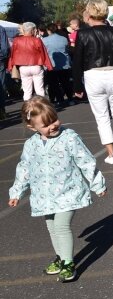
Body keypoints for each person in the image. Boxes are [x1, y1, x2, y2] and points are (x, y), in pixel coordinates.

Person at [8, 96, 107, 283]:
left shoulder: (69, 137)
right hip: (44, 196)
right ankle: (61, 258)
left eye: (54, 120)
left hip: (68, 191)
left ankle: (68, 263)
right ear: (32, 127)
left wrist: (97, 184)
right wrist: (16, 192)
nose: (53, 126)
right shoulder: (31, 145)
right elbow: (24, 169)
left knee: (61, 227)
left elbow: (85, 161)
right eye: (46, 125)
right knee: (52, 228)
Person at [71, 0, 113, 165]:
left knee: (102, 117)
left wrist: (77, 86)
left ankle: (111, 155)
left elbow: (77, 61)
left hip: (93, 75)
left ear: (90, 13)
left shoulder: (83, 34)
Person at [7, 22, 53, 101]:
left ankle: (27, 110)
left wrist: (10, 66)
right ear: (32, 30)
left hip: (23, 67)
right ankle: (41, 108)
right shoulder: (37, 40)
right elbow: (44, 53)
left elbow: (12, 54)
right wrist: (49, 66)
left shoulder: (16, 40)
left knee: (27, 91)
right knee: (39, 90)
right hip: (36, 66)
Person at [41, 23, 74, 107]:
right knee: (66, 82)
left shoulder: (44, 40)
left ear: (48, 30)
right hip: (65, 64)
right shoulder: (64, 39)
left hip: (52, 65)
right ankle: (70, 98)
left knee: (53, 84)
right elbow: (67, 49)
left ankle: (57, 100)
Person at [0, 26, 10, 120]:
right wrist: (3, 56)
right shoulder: (1, 29)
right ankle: (1, 111)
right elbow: (5, 47)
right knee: (1, 86)